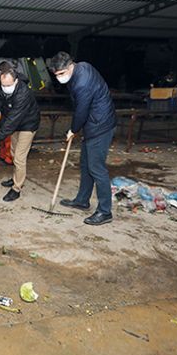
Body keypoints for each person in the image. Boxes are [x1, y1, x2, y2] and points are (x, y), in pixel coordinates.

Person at [49, 51, 117, 225]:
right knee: (86, 164)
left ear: (71, 65)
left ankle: (105, 212)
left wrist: (73, 129)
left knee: (97, 168)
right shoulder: (82, 66)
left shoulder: (82, 83)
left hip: (100, 125)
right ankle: (82, 200)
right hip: (92, 122)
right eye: (56, 75)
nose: (59, 78)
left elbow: (81, 110)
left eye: (62, 74)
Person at [0, 61, 40, 202]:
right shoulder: (1, 85)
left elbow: (12, 120)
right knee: (13, 153)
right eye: (3, 85)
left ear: (16, 81)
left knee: (19, 157)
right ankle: (15, 178)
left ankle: (16, 188)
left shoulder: (23, 93)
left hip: (28, 124)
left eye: (9, 86)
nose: (6, 88)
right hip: (15, 125)